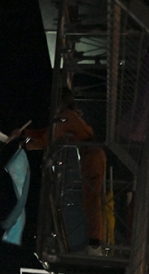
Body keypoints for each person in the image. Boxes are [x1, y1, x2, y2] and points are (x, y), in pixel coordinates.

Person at [11, 88, 107, 255]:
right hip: (90, 156)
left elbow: (47, 139)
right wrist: (24, 134)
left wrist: (26, 145)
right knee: (90, 201)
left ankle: (95, 244)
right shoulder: (67, 117)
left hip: (91, 157)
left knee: (92, 201)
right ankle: (94, 243)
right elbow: (47, 133)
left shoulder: (64, 117)